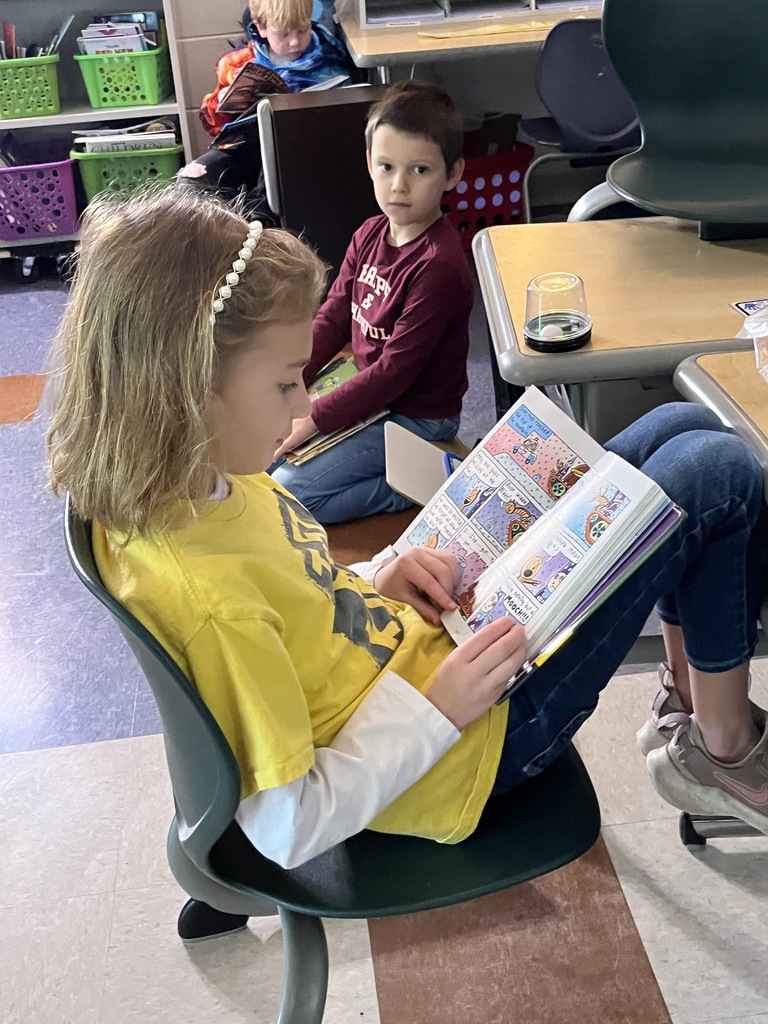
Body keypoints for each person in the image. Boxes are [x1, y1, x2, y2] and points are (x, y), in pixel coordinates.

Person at [47, 185, 768, 873]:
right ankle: (722, 748)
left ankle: (694, 713)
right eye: (285, 382)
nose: (304, 404)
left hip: (429, 660)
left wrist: (375, 577)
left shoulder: (197, 480)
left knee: (687, 423)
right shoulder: (211, 597)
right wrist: (438, 708)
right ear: (185, 385)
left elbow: (295, 603)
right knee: (715, 472)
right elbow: (288, 825)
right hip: (467, 744)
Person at [269, 81, 475, 523]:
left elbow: (393, 374)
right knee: (263, 455)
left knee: (289, 496)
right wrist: (288, 383)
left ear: (452, 173)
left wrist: (314, 418)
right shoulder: (368, 233)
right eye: (386, 167)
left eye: (419, 170)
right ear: (369, 164)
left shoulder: (438, 266)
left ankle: (423, 481)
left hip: (419, 419)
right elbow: (331, 319)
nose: (399, 185)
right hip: (368, 393)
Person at [177, 0, 354, 222]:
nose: (295, 41)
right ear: (260, 27)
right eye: (283, 34)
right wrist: (223, 102)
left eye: (303, 29)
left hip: (298, 152)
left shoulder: (329, 60)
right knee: (194, 180)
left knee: (265, 191)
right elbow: (215, 126)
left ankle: (257, 229)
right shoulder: (238, 64)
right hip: (244, 150)